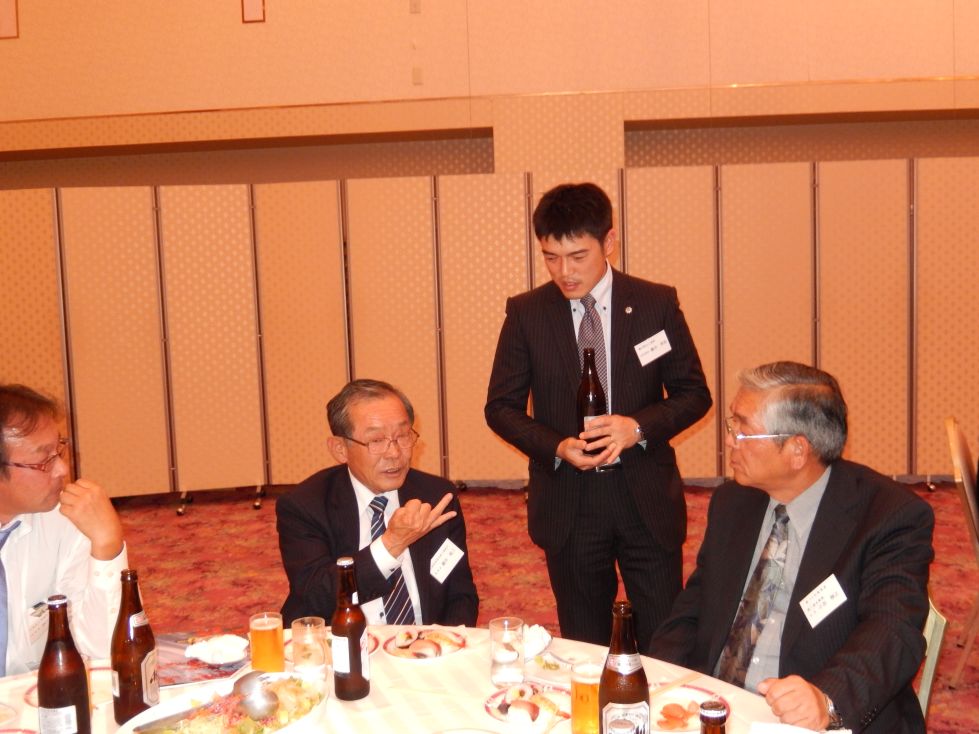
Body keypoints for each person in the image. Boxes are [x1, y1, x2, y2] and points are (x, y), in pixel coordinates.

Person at [485, 182, 712, 649]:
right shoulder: (527, 313)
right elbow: (501, 407)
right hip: (570, 501)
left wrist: (637, 428)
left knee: (664, 639)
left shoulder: (655, 304)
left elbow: (693, 394)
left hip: (644, 496)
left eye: (577, 256)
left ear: (609, 241)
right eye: (551, 257)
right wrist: (556, 446)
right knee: (584, 644)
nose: (564, 272)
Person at [648, 362, 934, 733]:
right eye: (732, 425)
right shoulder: (734, 501)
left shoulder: (887, 515)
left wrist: (826, 699)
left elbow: (893, 629)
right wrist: (659, 678)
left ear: (798, 450)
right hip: (716, 708)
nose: (730, 441)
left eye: (743, 430)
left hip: (805, 717)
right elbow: (695, 606)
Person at [277, 379, 478, 627]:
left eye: (402, 436)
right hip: (342, 642)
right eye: (376, 441)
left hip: (426, 642)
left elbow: (460, 593)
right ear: (340, 449)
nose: (394, 453)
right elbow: (316, 596)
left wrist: (443, 643)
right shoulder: (305, 505)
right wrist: (391, 545)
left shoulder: (437, 496)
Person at [0, 384, 127, 676]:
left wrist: (107, 546)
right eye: (43, 460)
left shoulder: (68, 519)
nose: (62, 470)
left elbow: (106, 652)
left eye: (58, 450)